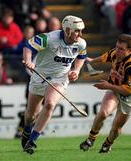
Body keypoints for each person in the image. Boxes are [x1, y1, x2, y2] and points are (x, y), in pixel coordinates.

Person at [21, 15, 87, 154]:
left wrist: (76, 70)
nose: (79, 34)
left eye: (81, 31)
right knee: (31, 115)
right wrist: (28, 61)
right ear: (67, 29)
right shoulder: (49, 38)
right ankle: (27, 131)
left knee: (50, 104)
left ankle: (32, 140)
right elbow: (28, 45)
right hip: (39, 76)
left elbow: (81, 56)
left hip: (60, 78)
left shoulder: (81, 43)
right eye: (76, 31)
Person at [79, 34, 131, 153]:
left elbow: (129, 90)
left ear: (130, 50)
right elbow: (105, 57)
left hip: (129, 97)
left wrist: (108, 86)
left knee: (116, 128)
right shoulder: (115, 53)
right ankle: (90, 140)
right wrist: (91, 60)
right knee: (103, 113)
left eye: (121, 49)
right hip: (114, 89)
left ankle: (107, 144)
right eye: (117, 47)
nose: (117, 51)